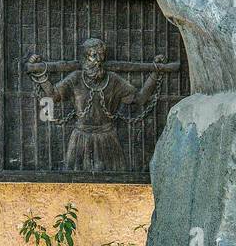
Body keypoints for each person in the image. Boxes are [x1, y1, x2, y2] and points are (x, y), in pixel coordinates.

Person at [25, 39, 166, 172]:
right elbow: (54, 96)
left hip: (108, 139)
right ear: (86, 58)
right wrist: (41, 75)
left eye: (101, 55)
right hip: (80, 139)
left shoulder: (114, 80)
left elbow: (140, 99)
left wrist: (154, 72)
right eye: (94, 55)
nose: (98, 60)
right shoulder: (75, 78)